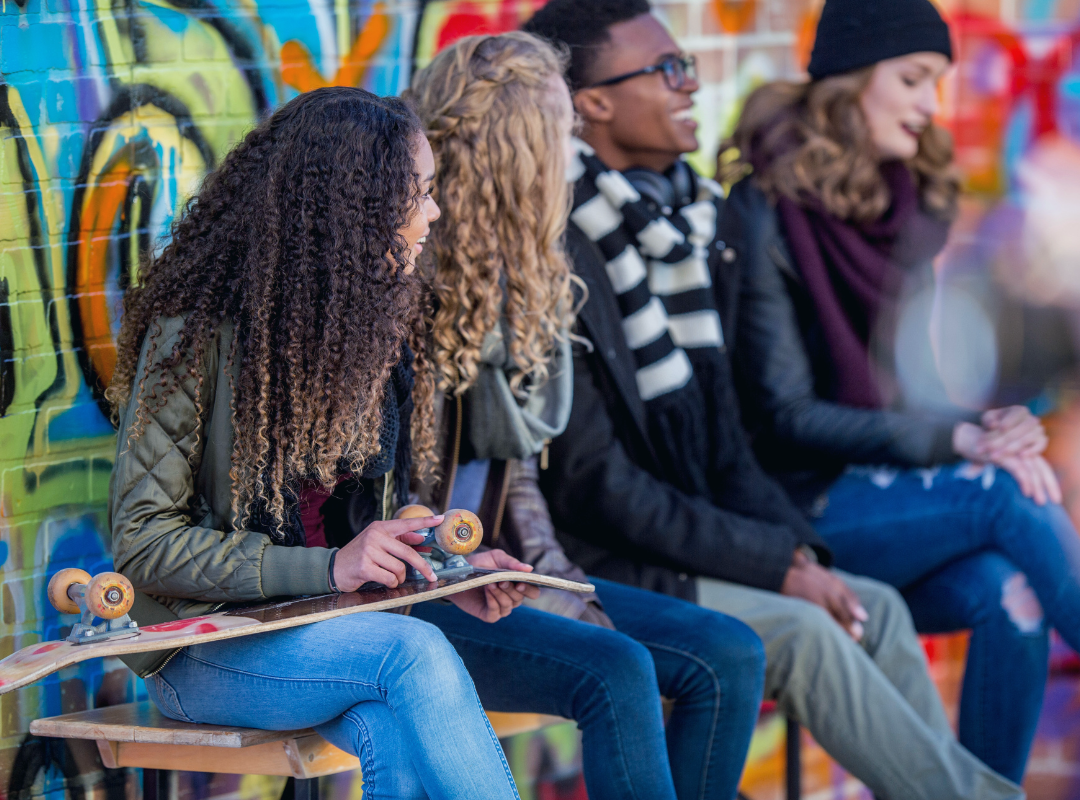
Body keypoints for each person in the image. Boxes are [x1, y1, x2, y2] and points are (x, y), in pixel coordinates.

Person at [523, 2, 1024, 798]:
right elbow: (597, 487)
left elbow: (726, 444)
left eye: (688, 67)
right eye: (668, 70)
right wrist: (775, 568)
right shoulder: (559, 252)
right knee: (811, 628)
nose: (690, 86)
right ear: (594, 104)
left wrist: (794, 557)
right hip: (612, 563)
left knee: (878, 610)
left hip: (694, 540)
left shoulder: (690, 225)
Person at [107, 88, 531, 800]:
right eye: (419, 193)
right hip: (202, 649)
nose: (433, 213)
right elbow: (144, 543)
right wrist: (330, 567)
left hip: (324, 629)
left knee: (389, 729)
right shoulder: (193, 336)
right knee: (413, 652)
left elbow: (355, 538)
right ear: (350, 209)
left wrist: (441, 565)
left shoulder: (366, 331)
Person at [721, 0, 1080, 783]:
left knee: (1011, 589)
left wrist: (989, 424)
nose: (930, 104)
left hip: (889, 494)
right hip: (796, 508)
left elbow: (911, 392)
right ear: (851, 80)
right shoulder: (762, 211)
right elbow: (786, 416)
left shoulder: (905, 202)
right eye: (913, 79)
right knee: (1004, 494)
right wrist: (960, 441)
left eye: (938, 82)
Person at [405, 33, 766, 800]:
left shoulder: (523, 272)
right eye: (560, 135)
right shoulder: (412, 282)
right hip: (429, 586)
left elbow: (514, 473)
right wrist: (522, 583)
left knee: (728, 655)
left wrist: (561, 582)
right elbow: (387, 496)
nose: (573, 157)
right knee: (618, 668)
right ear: (516, 152)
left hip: (501, 567)